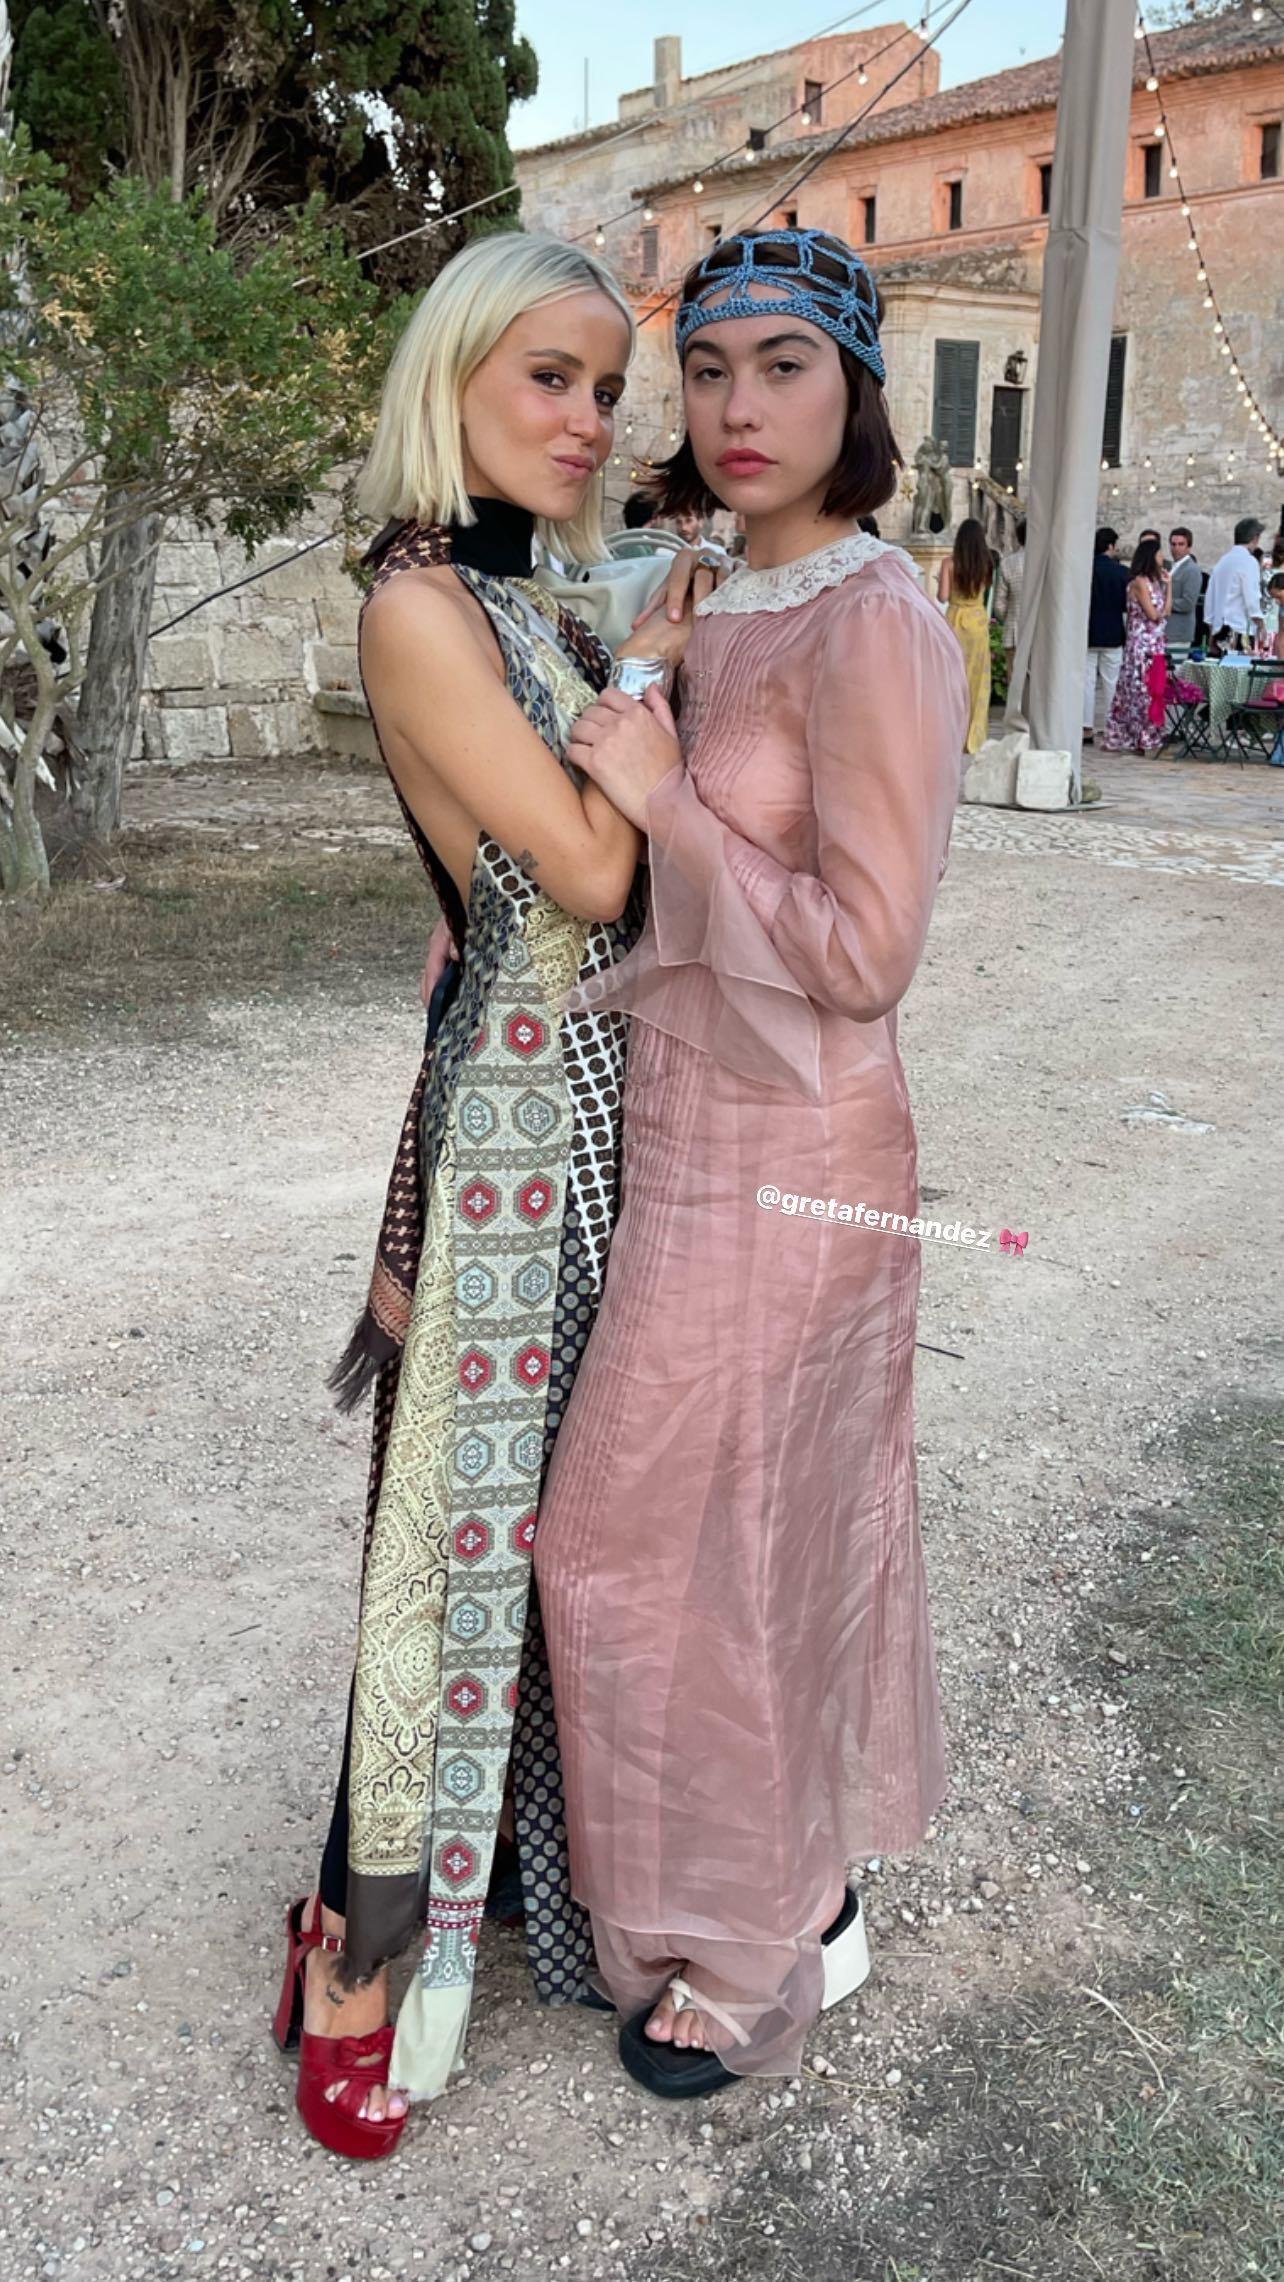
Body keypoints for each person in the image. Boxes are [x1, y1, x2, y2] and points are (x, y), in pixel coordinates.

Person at [272, 231, 717, 2161]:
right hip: (510, 1139)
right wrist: (649, 676)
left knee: (553, 1529)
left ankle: (520, 1883)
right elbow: (594, 874)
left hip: (591, 1109)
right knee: (443, 1553)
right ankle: (349, 1967)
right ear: (448, 374)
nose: (588, 417)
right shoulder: (413, 608)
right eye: (548, 376)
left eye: (604, 387)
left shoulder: (512, 594)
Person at [533, 226, 968, 2099]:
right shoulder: (716, 594)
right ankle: (778, 1887)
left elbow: (867, 952)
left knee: (672, 1542)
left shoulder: (875, 621)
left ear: (853, 389)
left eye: (784, 365)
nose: (736, 405)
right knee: (686, 1538)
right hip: (688, 1132)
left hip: (803, 1151)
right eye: (707, 368)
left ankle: (760, 1927)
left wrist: (664, 806)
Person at [1102, 535, 1171, 755]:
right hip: (1142, 642)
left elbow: (1166, 610)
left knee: (1155, 688)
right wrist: (1160, 614)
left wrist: (1169, 586)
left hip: (1156, 641)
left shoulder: (1154, 583)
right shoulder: (1139, 582)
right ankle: (1137, 734)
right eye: (1159, 553)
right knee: (1140, 688)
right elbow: (1153, 614)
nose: (1162, 557)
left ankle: (1151, 733)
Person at [937, 516, 993, 753]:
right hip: (977, 621)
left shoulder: (949, 563)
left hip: (956, 620)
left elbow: (942, 597)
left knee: (953, 677)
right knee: (978, 679)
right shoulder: (987, 563)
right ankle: (974, 734)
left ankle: (953, 732)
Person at [1083, 526, 1130, 745]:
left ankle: (1086, 726)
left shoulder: (1085, 569)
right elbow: (1125, 605)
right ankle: (1113, 726)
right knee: (1112, 681)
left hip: (1089, 631)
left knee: (1087, 681)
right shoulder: (1121, 572)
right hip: (1113, 631)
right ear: (1111, 546)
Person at [1204, 515, 1266, 651]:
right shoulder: (1249, 562)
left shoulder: (1222, 562)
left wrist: (1212, 628)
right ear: (1255, 538)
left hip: (1219, 629)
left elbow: (1209, 598)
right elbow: (1252, 598)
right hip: (1240, 630)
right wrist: (1261, 624)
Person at [993, 516, 1027, 662]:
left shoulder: (1008, 563)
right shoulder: (1047, 563)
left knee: (1014, 675)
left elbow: (999, 605)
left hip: (1014, 632)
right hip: (1042, 636)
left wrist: (1009, 616)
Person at [1166, 526, 1200, 648]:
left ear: (1189, 547)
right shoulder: (1172, 567)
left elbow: (1188, 603)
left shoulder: (1191, 569)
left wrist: (1163, 602)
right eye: (1173, 544)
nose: (1176, 548)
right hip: (1166, 632)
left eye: (1181, 544)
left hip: (1179, 634)